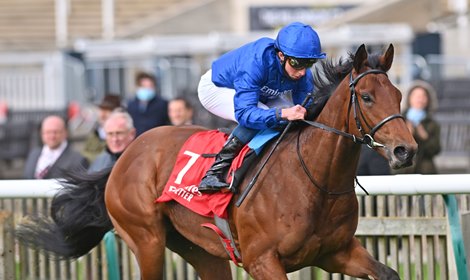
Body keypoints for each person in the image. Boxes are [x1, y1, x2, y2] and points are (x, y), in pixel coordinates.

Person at [197, 22, 326, 192]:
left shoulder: (299, 69)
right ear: (281, 55)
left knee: (294, 116)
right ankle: (215, 171)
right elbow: (245, 113)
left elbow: (305, 107)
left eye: (309, 63)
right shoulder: (255, 63)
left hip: (260, 93)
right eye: (297, 63)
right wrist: (282, 114)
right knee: (268, 117)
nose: (302, 72)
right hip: (218, 88)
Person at [396, 80, 441, 174]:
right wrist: (407, 136)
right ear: (409, 98)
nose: (420, 99)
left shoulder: (432, 123)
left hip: (426, 170)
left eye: (423, 96)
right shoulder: (399, 121)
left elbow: (436, 149)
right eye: (417, 96)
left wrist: (424, 137)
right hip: (402, 170)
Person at [23, 115, 89, 179]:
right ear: (41, 133)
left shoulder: (78, 160)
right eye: (48, 132)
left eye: (56, 132)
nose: (52, 136)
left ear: (65, 133)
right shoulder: (34, 154)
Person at [127, 72, 170, 136]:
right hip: (137, 140)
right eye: (144, 86)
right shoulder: (131, 105)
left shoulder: (162, 104)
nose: (147, 89)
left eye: (150, 86)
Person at [82, 94, 122, 162]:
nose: (103, 114)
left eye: (108, 110)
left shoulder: (121, 135)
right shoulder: (95, 134)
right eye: (101, 109)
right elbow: (84, 155)